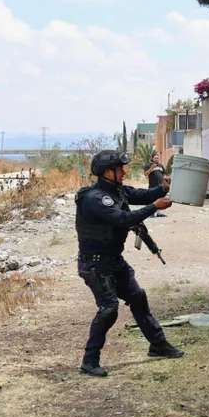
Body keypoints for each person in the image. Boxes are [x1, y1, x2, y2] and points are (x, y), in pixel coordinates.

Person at [75, 150, 185, 377]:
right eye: (120, 168)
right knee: (109, 310)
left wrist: (163, 188)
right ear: (108, 172)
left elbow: (142, 195)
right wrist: (155, 206)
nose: (124, 172)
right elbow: (122, 219)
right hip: (95, 265)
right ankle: (89, 361)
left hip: (115, 261)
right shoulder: (94, 198)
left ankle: (158, 345)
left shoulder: (118, 191)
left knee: (138, 298)